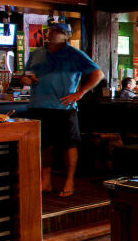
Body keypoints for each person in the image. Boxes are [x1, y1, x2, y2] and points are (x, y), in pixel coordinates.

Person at [22, 20, 103, 197]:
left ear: (66, 36)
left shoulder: (74, 54)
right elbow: (27, 74)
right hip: (38, 104)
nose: (51, 33)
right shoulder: (36, 53)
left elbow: (98, 74)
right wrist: (27, 79)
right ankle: (46, 180)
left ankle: (69, 181)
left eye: (57, 31)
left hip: (64, 107)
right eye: (50, 30)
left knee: (69, 145)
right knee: (44, 145)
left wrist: (80, 93)